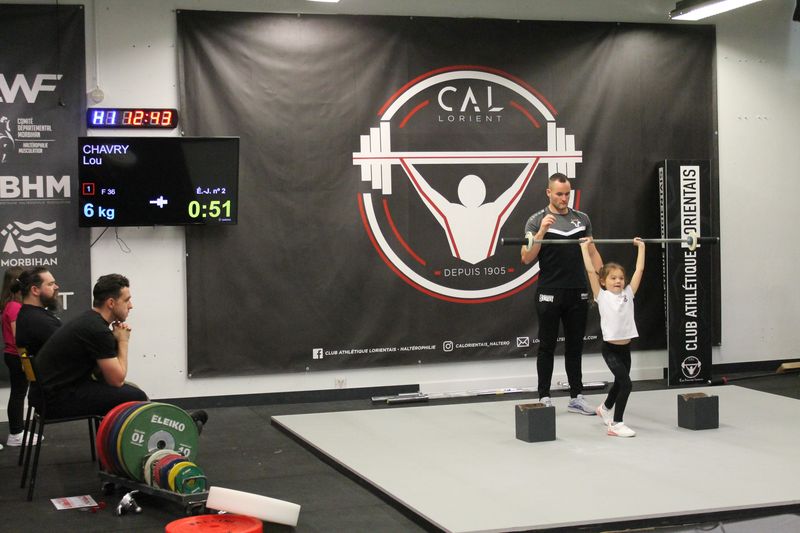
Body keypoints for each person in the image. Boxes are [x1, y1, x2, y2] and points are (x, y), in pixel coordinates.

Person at [521, 172, 602, 413]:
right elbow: (526, 258)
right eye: (559, 194)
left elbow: (593, 253)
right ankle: (544, 397)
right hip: (549, 291)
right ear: (549, 193)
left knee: (575, 347)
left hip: (577, 290)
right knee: (546, 346)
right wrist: (541, 233)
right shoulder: (535, 220)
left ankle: (577, 397)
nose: (564, 198)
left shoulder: (582, 219)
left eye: (567, 194)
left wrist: (603, 283)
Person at [30, 274, 148, 418]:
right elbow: (117, 380)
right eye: (126, 300)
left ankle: (108, 433)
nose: (130, 306)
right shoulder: (97, 330)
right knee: (137, 396)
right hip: (55, 400)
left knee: (131, 389)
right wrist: (123, 341)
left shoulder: (90, 320)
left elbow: (102, 375)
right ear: (111, 303)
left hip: (45, 395)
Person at [579, 237, 645, 438]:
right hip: (610, 350)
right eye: (613, 278)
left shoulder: (629, 293)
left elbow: (639, 270)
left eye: (621, 278)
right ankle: (616, 424)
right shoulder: (602, 296)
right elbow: (591, 270)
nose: (618, 281)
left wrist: (641, 247)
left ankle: (605, 408)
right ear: (603, 281)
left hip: (625, 349)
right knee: (627, 384)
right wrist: (584, 248)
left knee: (619, 382)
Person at [15, 267, 62, 358]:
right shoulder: (39, 321)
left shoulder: (27, 315)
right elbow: (70, 348)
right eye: (50, 284)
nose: (56, 287)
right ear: (35, 290)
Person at [2, 266, 24, 449]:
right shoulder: (15, 307)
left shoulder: (9, 305)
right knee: (18, 394)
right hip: (16, 356)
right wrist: (25, 359)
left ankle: (17, 432)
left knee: (18, 393)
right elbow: (19, 338)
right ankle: (16, 433)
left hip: (12, 355)